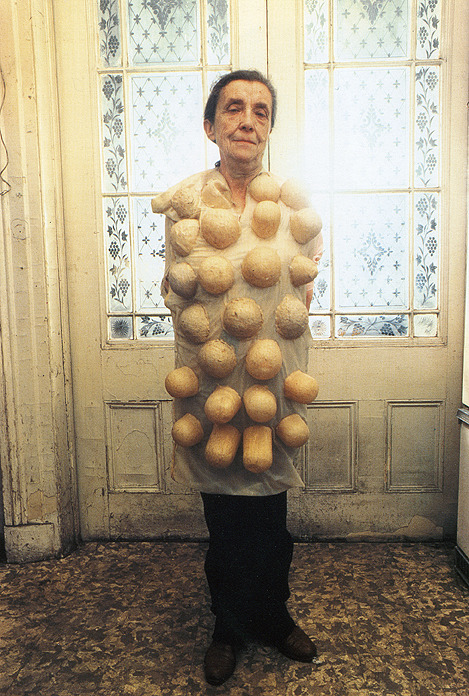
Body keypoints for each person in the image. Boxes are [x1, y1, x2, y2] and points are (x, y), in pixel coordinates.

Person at [154, 69, 323, 686]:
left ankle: (273, 618)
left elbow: (303, 285)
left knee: (271, 515)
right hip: (208, 382)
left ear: (269, 129)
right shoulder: (186, 204)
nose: (247, 120)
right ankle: (228, 626)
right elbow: (174, 290)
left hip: (273, 380)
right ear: (211, 126)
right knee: (224, 520)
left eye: (260, 110)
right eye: (233, 109)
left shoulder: (293, 203)